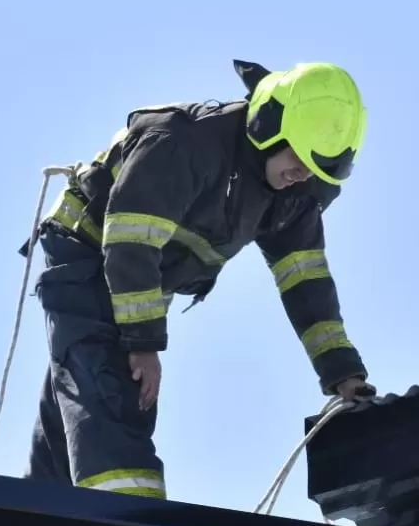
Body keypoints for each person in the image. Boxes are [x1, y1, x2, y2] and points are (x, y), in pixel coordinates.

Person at [22, 59, 377, 497]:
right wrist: (143, 343)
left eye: (314, 171)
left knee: (78, 400)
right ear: (269, 127)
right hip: (86, 255)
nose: (300, 175)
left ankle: (33, 518)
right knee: (113, 394)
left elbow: (307, 284)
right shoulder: (182, 143)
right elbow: (129, 244)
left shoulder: (293, 198)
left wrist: (343, 372)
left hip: (140, 279)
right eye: (298, 159)